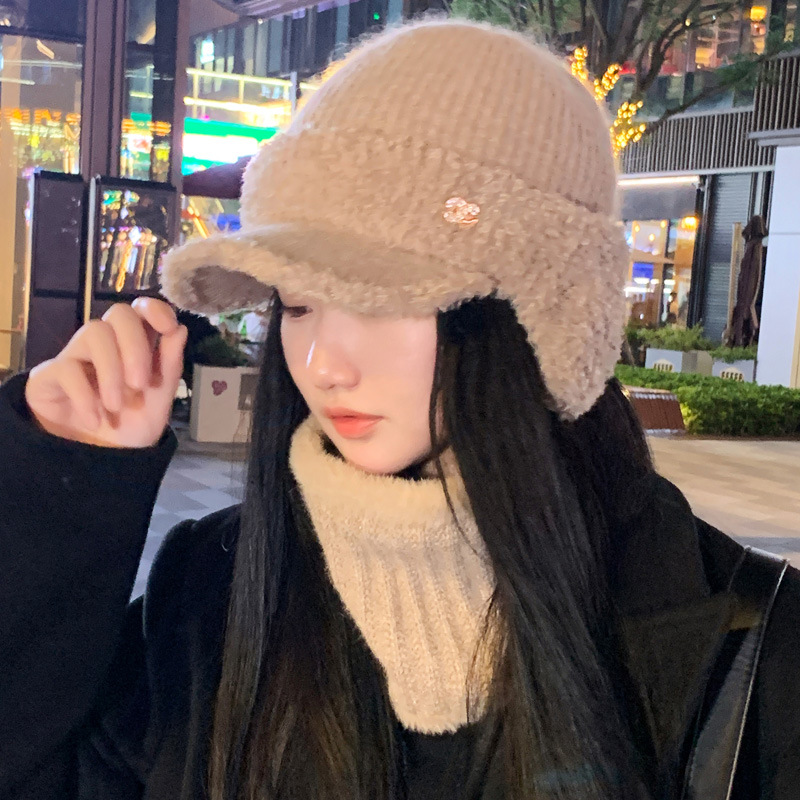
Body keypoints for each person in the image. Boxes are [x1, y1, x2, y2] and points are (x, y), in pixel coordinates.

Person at [1, 20, 798, 800]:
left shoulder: (755, 652)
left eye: (381, 299)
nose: (323, 363)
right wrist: (65, 485)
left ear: (539, 311)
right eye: (298, 304)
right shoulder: (210, 595)